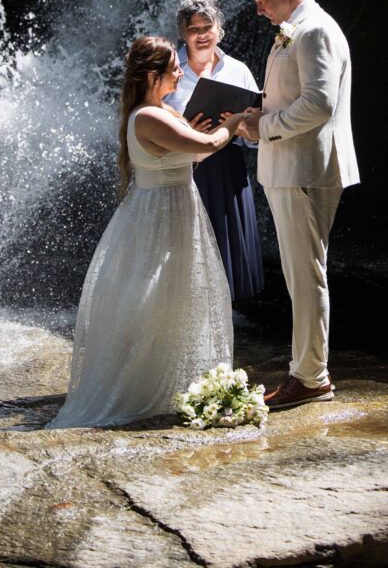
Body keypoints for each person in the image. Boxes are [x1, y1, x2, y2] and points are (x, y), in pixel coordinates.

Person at [47, 36, 248, 429]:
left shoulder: (166, 112)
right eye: (174, 65)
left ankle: (173, 380)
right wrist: (235, 124)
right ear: (154, 74)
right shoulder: (149, 117)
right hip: (160, 213)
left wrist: (208, 130)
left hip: (176, 207)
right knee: (156, 299)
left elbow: (198, 152)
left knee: (176, 297)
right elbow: (208, 142)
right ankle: (142, 388)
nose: (180, 69)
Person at [241, 0, 359, 410]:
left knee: (306, 275)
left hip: (305, 170)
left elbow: (320, 103)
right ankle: (307, 370)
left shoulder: (315, 30)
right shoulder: (298, 27)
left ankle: (310, 376)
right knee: (299, 273)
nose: (257, 10)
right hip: (291, 168)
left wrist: (264, 127)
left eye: (262, 0)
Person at [164, 0, 264, 302]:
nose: (202, 34)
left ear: (219, 29)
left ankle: (226, 317)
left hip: (228, 170)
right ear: (183, 33)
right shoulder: (170, 69)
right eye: (194, 29)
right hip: (186, 170)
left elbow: (255, 137)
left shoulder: (238, 70)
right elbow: (152, 122)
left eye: (208, 27)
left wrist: (244, 127)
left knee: (226, 248)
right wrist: (186, 130)